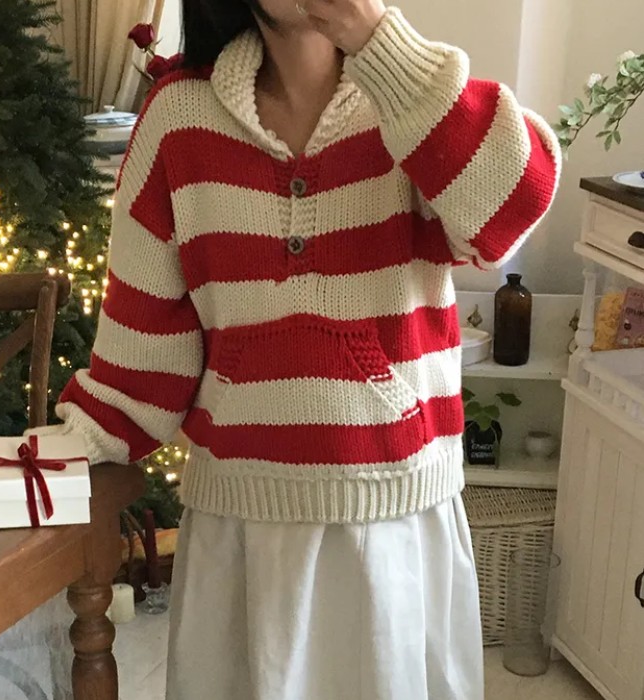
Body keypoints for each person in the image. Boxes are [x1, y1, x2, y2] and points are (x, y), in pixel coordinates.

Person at [30, 1, 561, 697]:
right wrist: (53, 452)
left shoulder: (416, 101)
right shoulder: (178, 118)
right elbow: (141, 361)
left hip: (396, 520)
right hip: (242, 530)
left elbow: (511, 207)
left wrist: (378, 42)